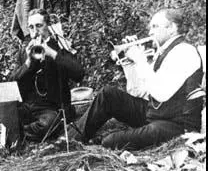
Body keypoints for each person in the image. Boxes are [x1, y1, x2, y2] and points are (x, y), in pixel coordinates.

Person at [72, 8, 204, 150]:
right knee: (108, 94)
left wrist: (140, 60)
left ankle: (99, 142)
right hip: (156, 114)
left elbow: (161, 93)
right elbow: (137, 92)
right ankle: (70, 140)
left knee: (110, 141)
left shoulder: (185, 52)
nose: (150, 32)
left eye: (155, 26)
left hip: (177, 125)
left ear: (172, 28)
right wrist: (130, 63)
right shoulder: (163, 53)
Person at [9, 8, 84, 142]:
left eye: (39, 26)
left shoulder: (59, 47)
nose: (35, 31)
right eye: (31, 27)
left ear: (48, 26)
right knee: (4, 114)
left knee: (49, 123)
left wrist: (52, 53)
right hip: (28, 105)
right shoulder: (24, 51)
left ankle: (19, 133)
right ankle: (23, 132)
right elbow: (13, 82)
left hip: (50, 108)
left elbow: (79, 74)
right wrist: (28, 63)